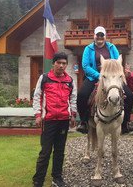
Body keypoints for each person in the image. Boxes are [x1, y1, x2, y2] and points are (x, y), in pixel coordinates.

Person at [77, 26, 133, 134]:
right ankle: (83, 122)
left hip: (112, 78)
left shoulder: (112, 47)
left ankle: (126, 123)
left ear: (105, 36)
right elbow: (85, 66)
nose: (100, 37)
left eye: (102, 35)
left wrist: (118, 74)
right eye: (97, 35)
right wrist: (100, 76)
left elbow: (117, 63)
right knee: (82, 95)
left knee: (129, 95)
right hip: (93, 77)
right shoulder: (88, 49)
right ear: (94, 36)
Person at [32, 52, 77, 187]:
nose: (62, 66)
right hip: (49, 120)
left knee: (59, 151)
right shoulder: (44, 78)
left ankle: (57, 178)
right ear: (54, 64)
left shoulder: (70, 80)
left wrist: (73, 115)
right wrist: (38, 115)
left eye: (64, 63)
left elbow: (73, 98)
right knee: (45, 152)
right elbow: (37, 96)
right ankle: (38, 180)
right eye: (59, 63)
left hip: (63, 120)